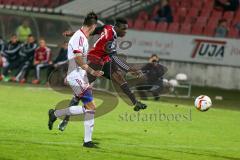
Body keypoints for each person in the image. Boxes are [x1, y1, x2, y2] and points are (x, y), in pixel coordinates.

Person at [59, 18, 147, 132]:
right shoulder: (109, 38)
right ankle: (65, 119)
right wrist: (130, 69)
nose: (125, 32)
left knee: (118, 77)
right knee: (81, 93)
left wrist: (72, 33)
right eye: (124, 29)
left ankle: (135, 102)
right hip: (94, 61)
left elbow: (93, 31)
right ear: (117, 28)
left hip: (104, 59)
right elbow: (115, 59)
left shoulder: (108, 27)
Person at [48, 12, 104, 148]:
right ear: (93, 26)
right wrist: (92, 71)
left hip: (80, 75)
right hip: (77, 76)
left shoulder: (81, 36)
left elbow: (86, 35)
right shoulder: (80, 37)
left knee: (89, 108)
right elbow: (78, 59)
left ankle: (56, 114)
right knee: (91, 107)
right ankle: (87, 141)